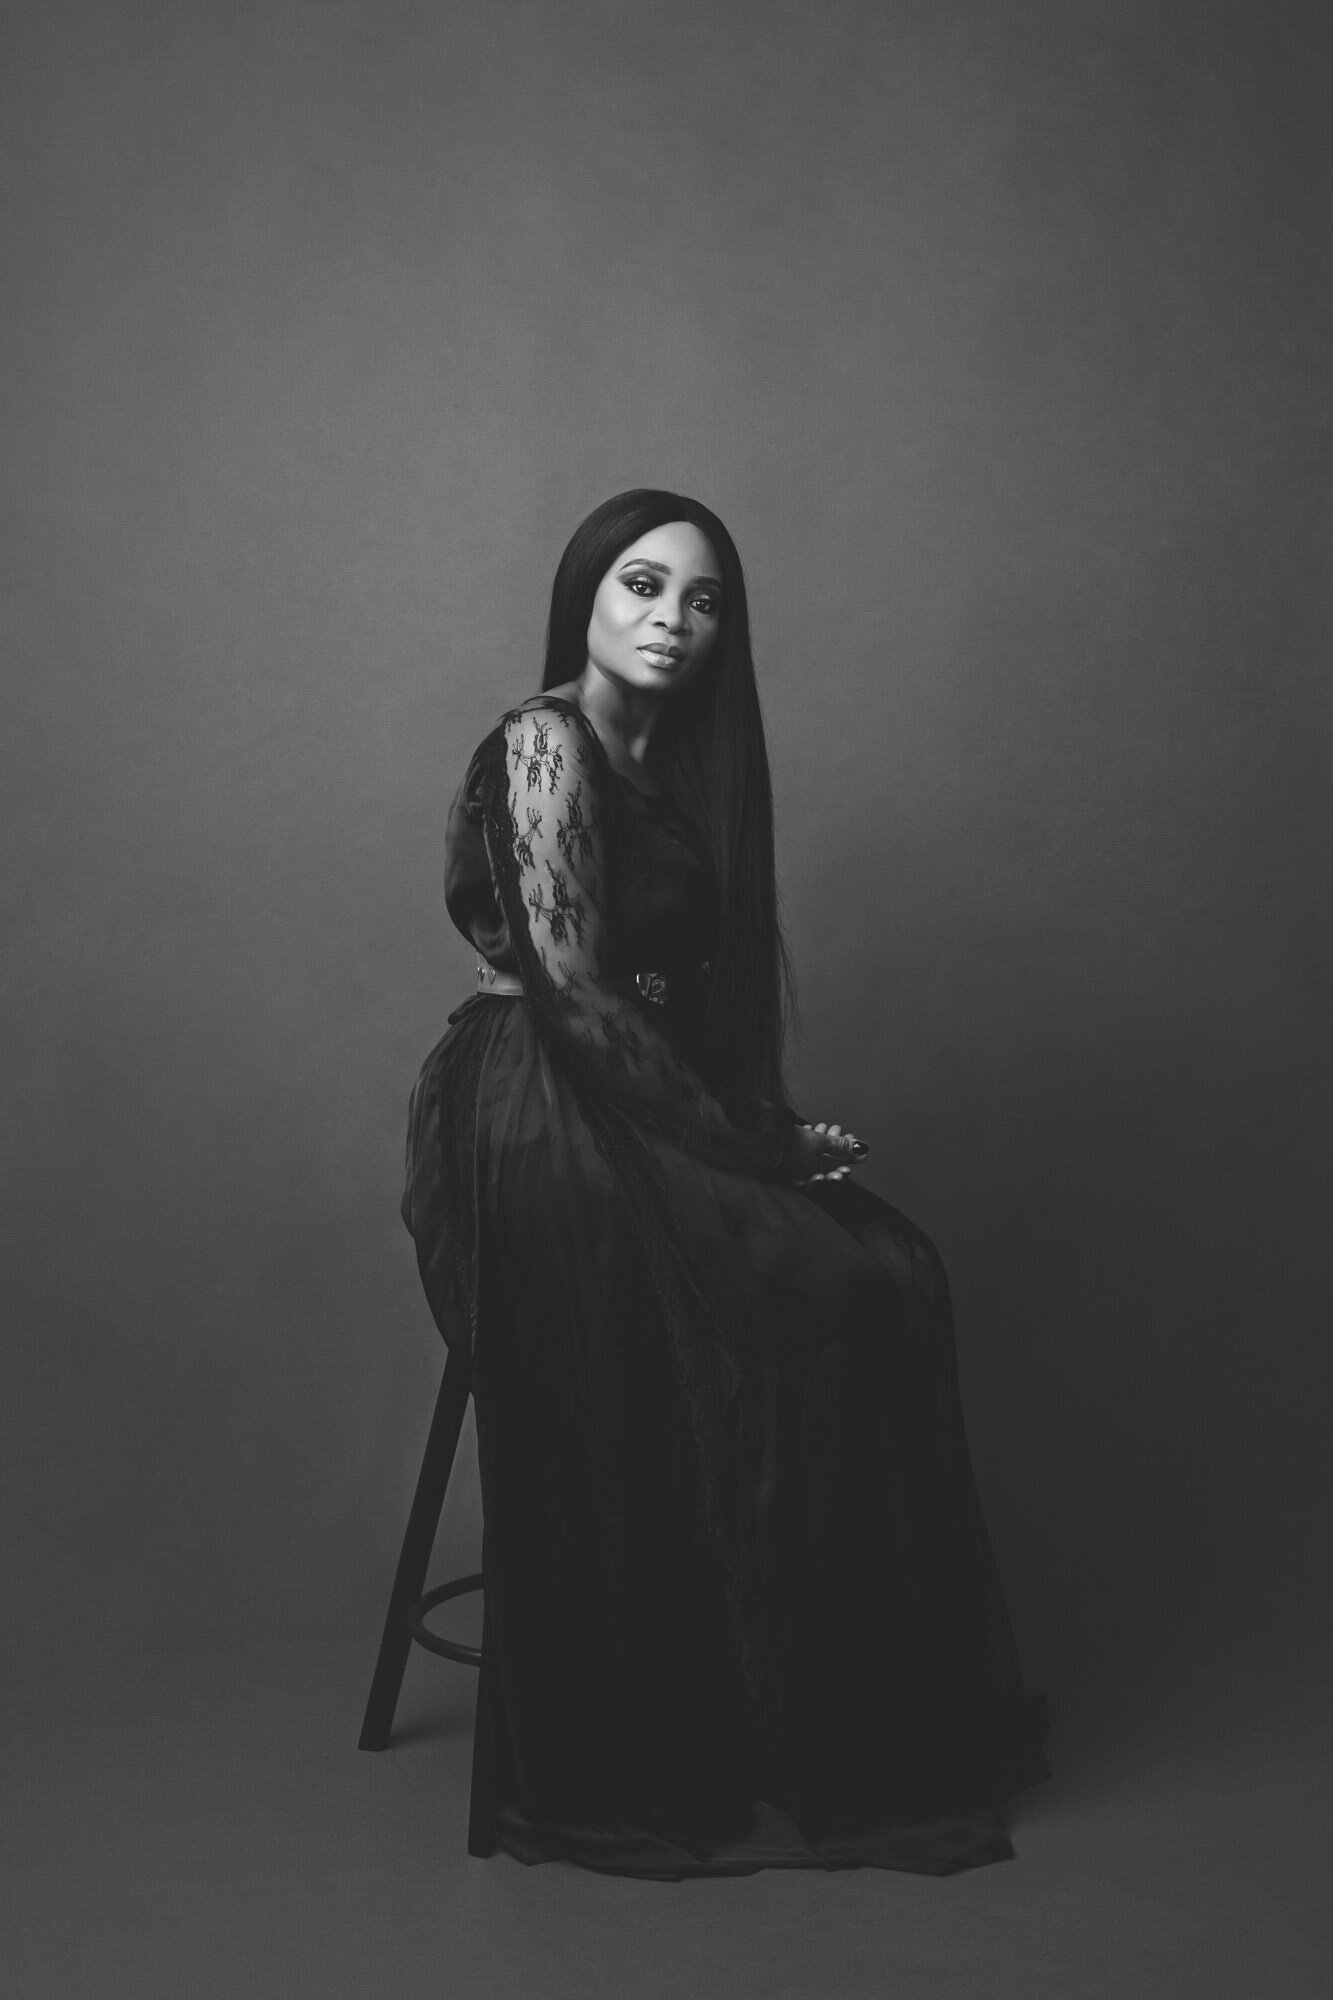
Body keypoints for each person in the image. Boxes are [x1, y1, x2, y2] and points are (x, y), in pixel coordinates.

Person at [401, 488, 1049, 1877]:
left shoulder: (679, 769)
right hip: (533, 1099)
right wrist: (747, 1148)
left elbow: (667, 1004)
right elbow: (573, 995)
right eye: (641, 586)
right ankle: (684, 1701)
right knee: (803, 1289)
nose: (671, 621)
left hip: (638, 1087)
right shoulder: (541, 741)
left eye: (702, 601)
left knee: (886, 1273)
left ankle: (798, 1694)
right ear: (584, 593)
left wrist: (747, 1121)